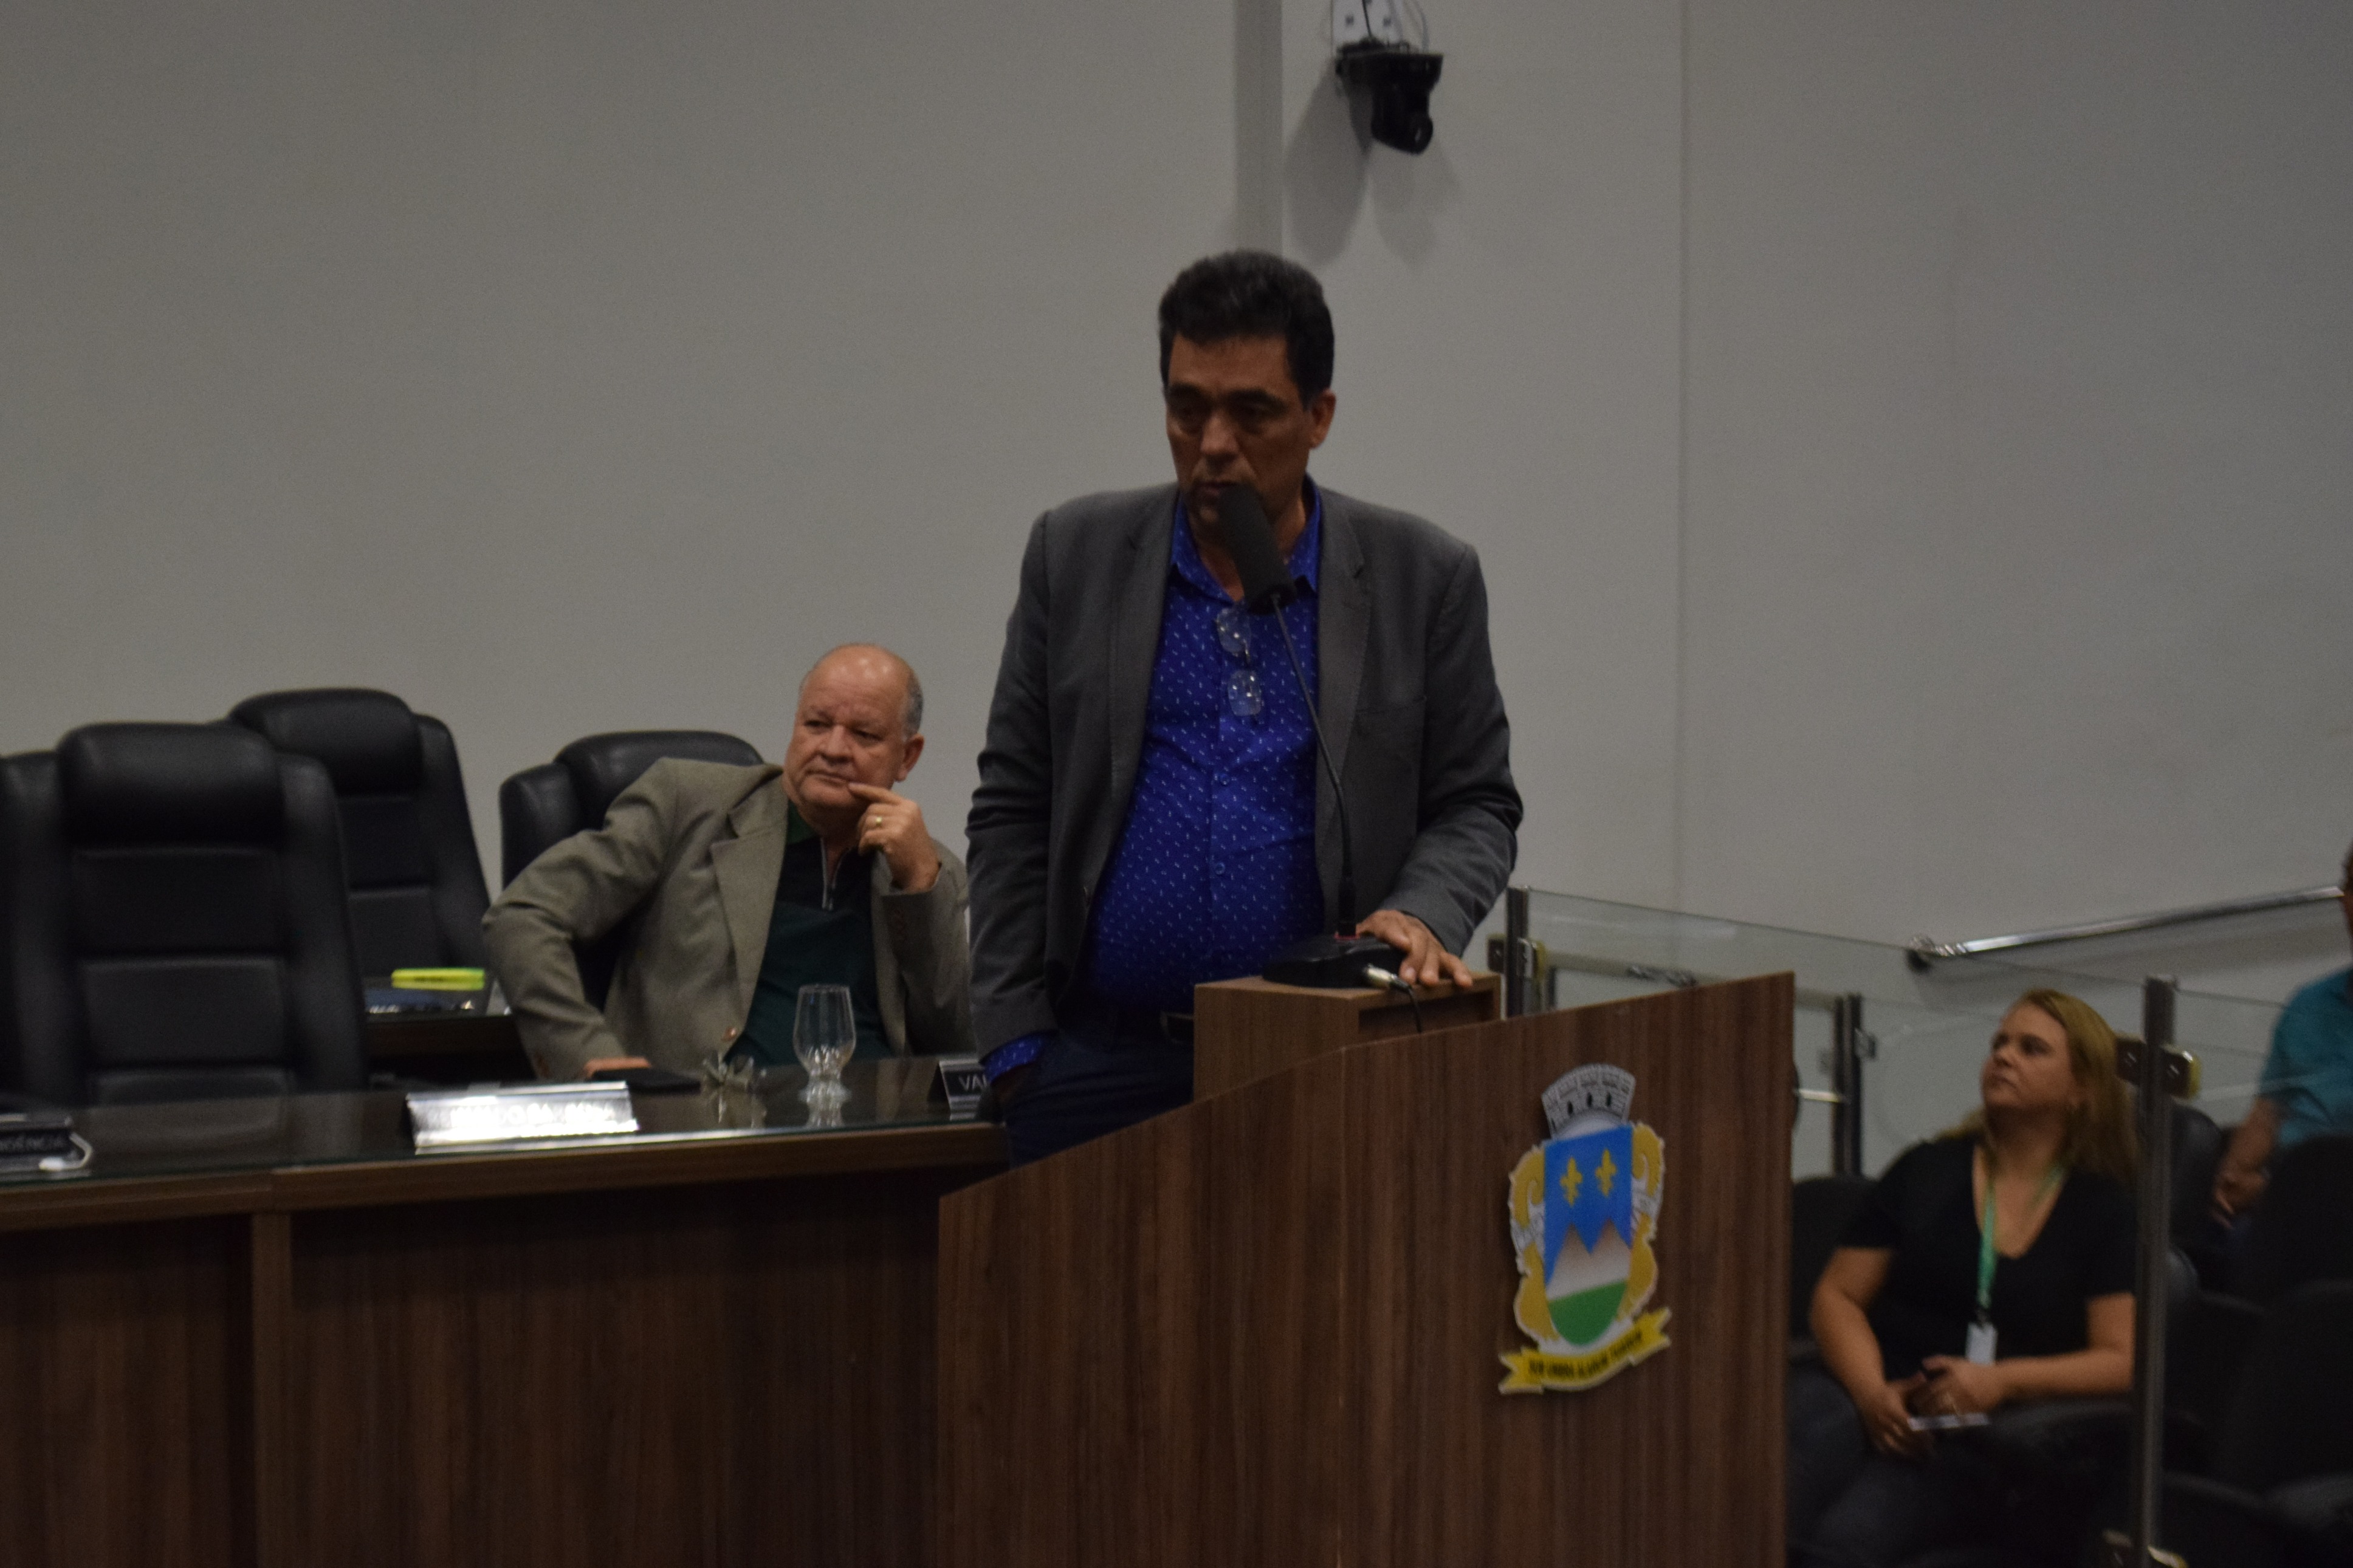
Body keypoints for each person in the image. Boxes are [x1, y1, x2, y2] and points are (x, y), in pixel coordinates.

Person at [965, 250, 1521, 1165]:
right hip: (1098, 1062)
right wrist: (1016, 1046)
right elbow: (1013, 805)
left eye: (1251, 412)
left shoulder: (1423, 578)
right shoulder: (1076, 554)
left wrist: (1422, 913)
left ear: (1318, 416)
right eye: (1188, 409)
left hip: (1324, 1056)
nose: (1214, 443)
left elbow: (1477, 803)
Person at [484, 644, 973, 1081]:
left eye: (864, 734)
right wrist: (589, 1056)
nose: (832, 749)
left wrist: (920, 887)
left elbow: (958, 1043)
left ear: (907, 757)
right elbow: (524, 915)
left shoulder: (925, 869)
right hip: (704, 1122)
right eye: (816, 725)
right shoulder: (688, 805)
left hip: (872, 1129)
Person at [1790, 990, 2139, 1568]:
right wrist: (1873, 1393)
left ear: (2083, 1088)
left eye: (2031, 1048)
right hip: (1867, 1387)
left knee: (1847, 1540)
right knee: (1781, 1487)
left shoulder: (2105, 1209)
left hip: (1978, 1429)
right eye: (2000, 1043)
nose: (2003, 1056)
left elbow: (2121, 1360)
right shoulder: (1927, 1168)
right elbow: (1838, 1295)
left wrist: (2001, 1382)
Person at [2210, 838, 2353, 1228]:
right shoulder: (2310, 1004)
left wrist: (2269, 1191)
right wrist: (2230, 1180)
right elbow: (2269, 1112)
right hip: (2285, 1201)